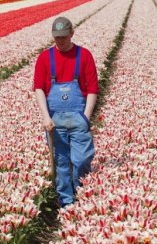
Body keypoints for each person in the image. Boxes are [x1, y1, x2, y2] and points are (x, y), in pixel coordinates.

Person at [34, 17, 98, 208]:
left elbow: (93, 89)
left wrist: (86, 117)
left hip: (78, 118)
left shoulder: (84, 55)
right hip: (55, 119)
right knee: (61, 162)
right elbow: (39, 89)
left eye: (63, 37)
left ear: (72, 33)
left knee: (83, 159)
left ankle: (81, 191)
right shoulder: (45, 58)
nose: (60, 41)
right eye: (56, 37)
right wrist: (46, 116)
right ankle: (67, 202)